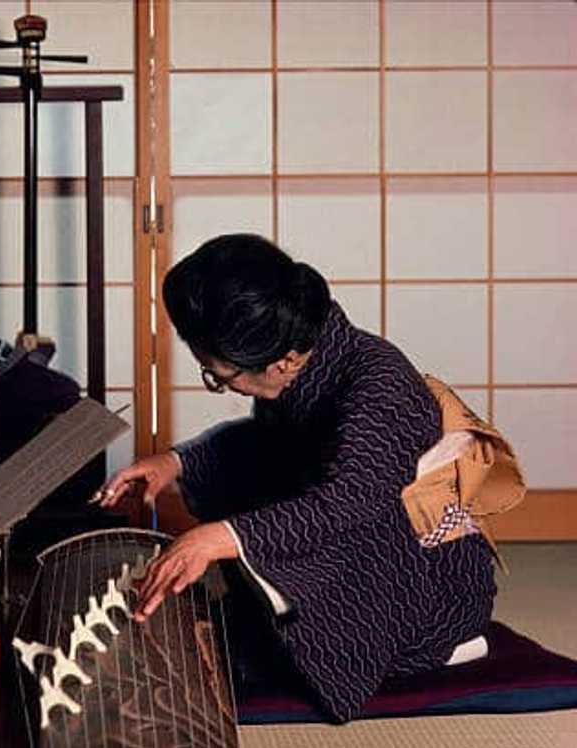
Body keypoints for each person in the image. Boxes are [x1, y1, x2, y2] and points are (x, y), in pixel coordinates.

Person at [95, 233, 497, 722]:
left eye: (221, 377)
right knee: (255, 479)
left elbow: (350, 501)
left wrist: (220, 538)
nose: (222, 387)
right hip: (365, 529)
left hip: (426, 584)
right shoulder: (304, 361)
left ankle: (418, 646)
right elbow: (263, 445)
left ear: (282, 360)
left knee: (256, 645)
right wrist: (174, 463)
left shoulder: (377, 385)